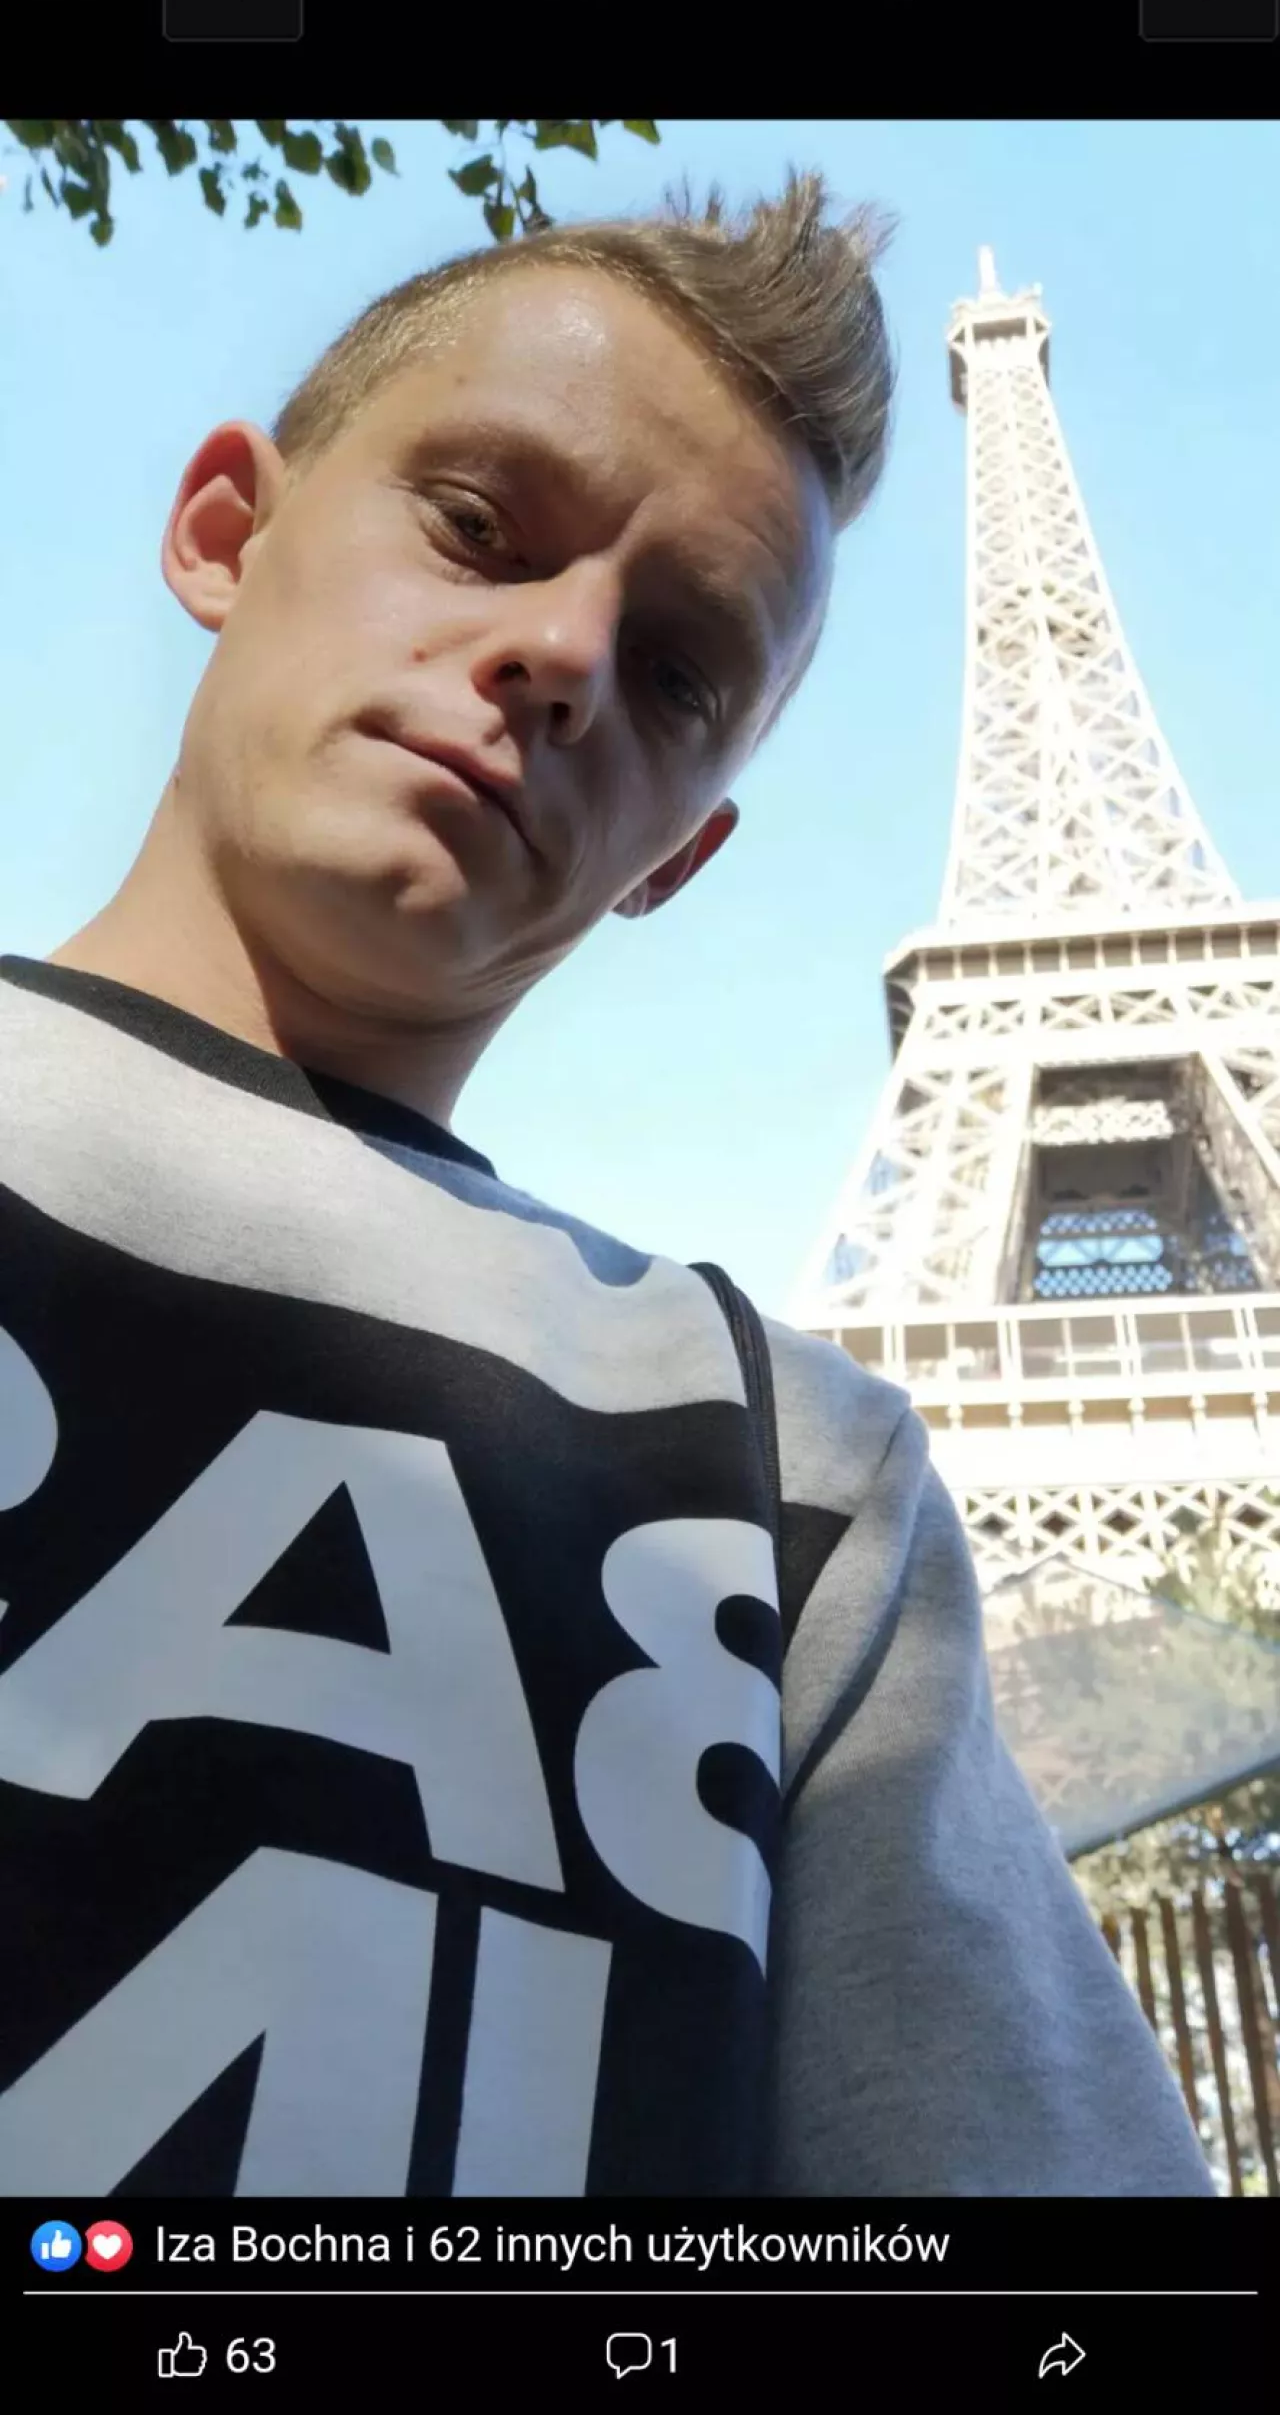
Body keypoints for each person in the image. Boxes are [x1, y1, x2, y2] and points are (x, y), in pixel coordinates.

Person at [0, 174, 1213, 2196]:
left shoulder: (792, 1470)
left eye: (674, 676)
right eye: (480, 525)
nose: (561, 653)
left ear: (678, 855)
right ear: (223, 530)